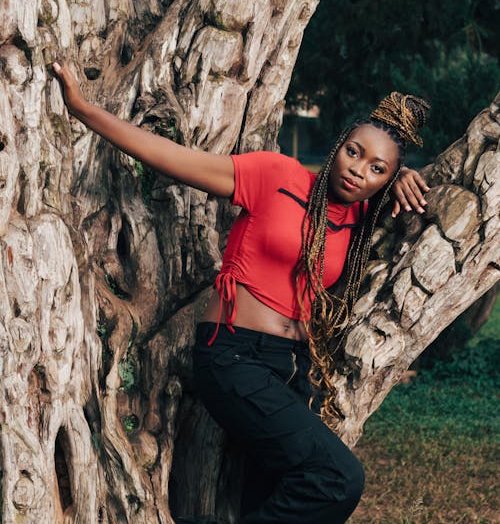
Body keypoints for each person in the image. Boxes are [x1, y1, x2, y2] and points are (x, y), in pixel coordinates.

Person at [53, 61, 430, 524]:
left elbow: (435, 190)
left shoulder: (359, 221)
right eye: (355, 152)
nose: (359, 171)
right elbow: (171, 156)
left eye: (377, 170)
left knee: (271, 495)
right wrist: (83, 109)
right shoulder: (276, 176)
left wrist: (409, 178)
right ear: (338, 146)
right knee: (338, 479)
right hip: (234, 357)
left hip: (290, 372)